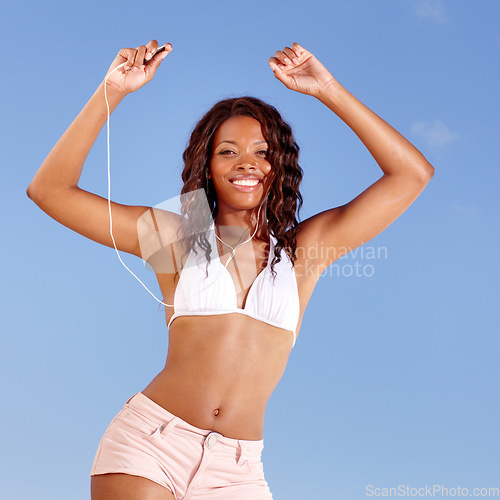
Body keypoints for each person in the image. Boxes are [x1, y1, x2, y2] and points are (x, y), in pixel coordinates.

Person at [26, 39, 434, 500]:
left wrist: (327, 90)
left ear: (280, 165)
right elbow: (50, 191)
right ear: (208, 166)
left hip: (237, 470)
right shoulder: (176, 236)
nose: (247, 163)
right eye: (227, 152)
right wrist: (111, 90)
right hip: (150, 445)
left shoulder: (306, 250)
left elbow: (411, 175)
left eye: (263, 152)